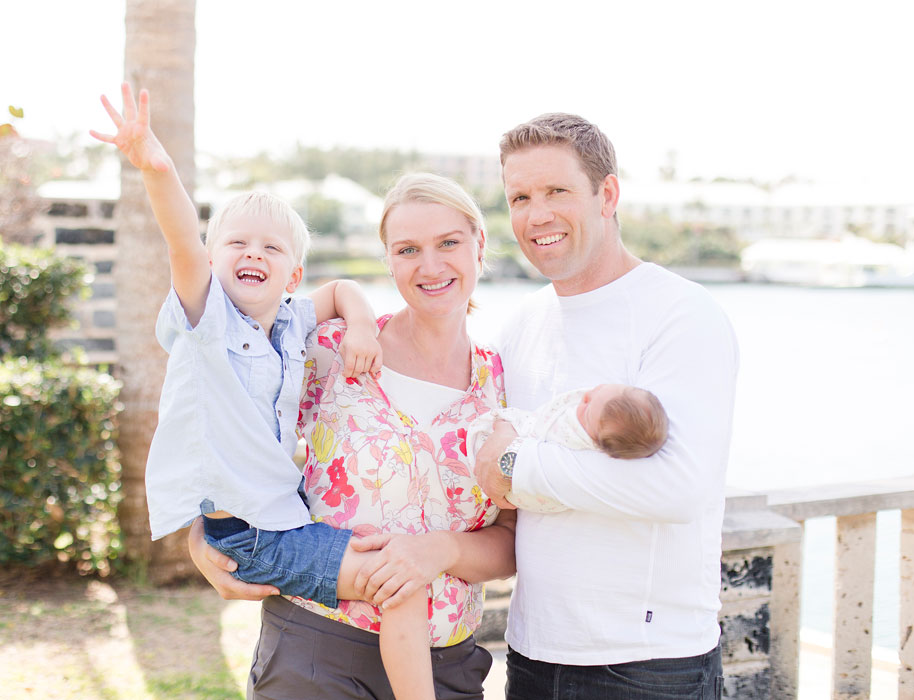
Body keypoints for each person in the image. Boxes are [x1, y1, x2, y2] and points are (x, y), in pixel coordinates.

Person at [91, 84, 446, 700]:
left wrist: (362, 324)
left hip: (279, 522)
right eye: (236, 243)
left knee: (401, 582)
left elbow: (338, 292)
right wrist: (156, 164)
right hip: (250, 535)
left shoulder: (286, 320)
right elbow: (179, 235)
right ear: (211, 257)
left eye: (271, 248)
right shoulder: (208, 323)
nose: (252, 253)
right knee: (402, 586)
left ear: (291, 273)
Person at [188, 172, 518, 700]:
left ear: (480, 245)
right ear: (388, 260)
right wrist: (204, 531)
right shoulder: (330, 348)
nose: (430, 266)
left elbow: (510, 543)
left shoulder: (504, 382)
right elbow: (219, 408)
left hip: (445, 669)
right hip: (315, 653)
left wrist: (440, 550)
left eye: (449, 243)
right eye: (408, 249)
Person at [473, 114, 738, 699]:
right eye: (520, 197)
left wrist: (516, 465)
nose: (535, 214)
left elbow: (679, 488)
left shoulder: (680, 314)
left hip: (648, 665)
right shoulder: (521, 324)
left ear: (608, 195)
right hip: (532, 651)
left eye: (556, 191)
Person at [467, 384, 668, 511]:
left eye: (587, 412)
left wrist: (505, 428)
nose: (585, 398)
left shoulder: (572, 441)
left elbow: (531, 429)